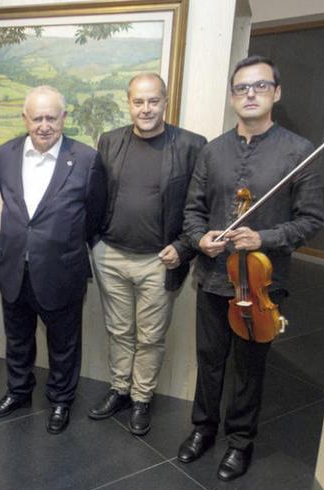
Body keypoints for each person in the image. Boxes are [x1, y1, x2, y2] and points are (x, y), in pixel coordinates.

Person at [177, 55, 324, 480]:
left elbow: (312, 220)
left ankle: (240, 441)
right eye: (242, 88)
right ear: (232, 97)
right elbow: (193, 211)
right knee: (209, 359)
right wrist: (199, 237)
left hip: (262, 281)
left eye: (260, 86)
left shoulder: (299, 152)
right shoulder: (213, 150)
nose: (250, 95)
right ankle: (203, 429)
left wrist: (265, 237)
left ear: (276, 93)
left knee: (250, 365)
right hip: (213, 276)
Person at [88, 73, 206, 435]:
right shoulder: (109, 142)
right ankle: (120, 390)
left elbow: (200, 204)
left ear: (165, 102)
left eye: (153, 101)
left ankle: (141, 399)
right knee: (119, 330)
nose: (146, 109)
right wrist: (94, 241)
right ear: (129, 103)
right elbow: (94, 196)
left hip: (159, 260)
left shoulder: (190, 145)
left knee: (151, 336)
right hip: (111, 255)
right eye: (138, 102)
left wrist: (185, 248)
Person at [0, 85, 106, 434]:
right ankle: (19, 391)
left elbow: (96, 214)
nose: (44, 125)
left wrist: (63, 244)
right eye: (36, 118)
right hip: (13, 267)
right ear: (24, 118)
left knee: (63, 344)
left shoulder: (85, 159)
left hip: (61, 269)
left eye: (51, 118)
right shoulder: (4, 155)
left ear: (64, 118)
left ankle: (60, 401)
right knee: (17, 337)